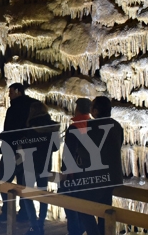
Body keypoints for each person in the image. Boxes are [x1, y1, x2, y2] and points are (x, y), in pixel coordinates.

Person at [63, 96, 124, 235]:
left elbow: (86, 153)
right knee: (104, 209)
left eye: (92, 109)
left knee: (83, 206)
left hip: (94, 177)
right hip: (112, 177)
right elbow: (118, 145)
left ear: (96, 111)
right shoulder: (117, 126)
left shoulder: (92, 126)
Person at [0, 83, 38, 222]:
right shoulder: (33, 105)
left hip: (12, 150)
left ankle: (7, 212)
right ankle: (25, 213)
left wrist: (4, 136)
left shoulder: (15, 108)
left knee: (3, 181)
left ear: (18, 91)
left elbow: (12, 130)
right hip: (28, 151)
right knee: (23, 184)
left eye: (11, 92)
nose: (9, 95)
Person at [20, 101, 59, 235]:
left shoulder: (30, 127)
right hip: (45, 165)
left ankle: (33, 225)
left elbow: (26, 146)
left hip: (31, 165)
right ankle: (41, 223)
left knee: (27, 195)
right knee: (43, 194)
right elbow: (56, 147)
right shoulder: (53, 127)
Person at [60, 98, 92, 235]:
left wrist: (65, 171)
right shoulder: (94, 125)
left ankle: (74, 231)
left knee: (71, 206)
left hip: (74, 174)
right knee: (85, 207)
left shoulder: (75, 127)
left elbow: (69, 152)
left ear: (77, 109)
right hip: (90, 173)